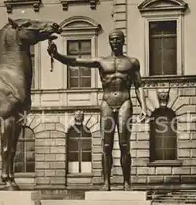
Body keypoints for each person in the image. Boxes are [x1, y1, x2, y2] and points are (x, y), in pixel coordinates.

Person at [47, 29, 147, 191]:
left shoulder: (132, 62)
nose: (115, 42)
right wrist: (57, 55)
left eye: (118, 39)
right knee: (106, 145)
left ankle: (127, 182)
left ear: (123, 41)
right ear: (109, 42)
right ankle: (106, 182)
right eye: (112, 39)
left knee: (124, 144)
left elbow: (139, 85)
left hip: (125, 102)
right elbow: (75, 62)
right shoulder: (101, 62)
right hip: (107, 102)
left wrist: (144, 107)